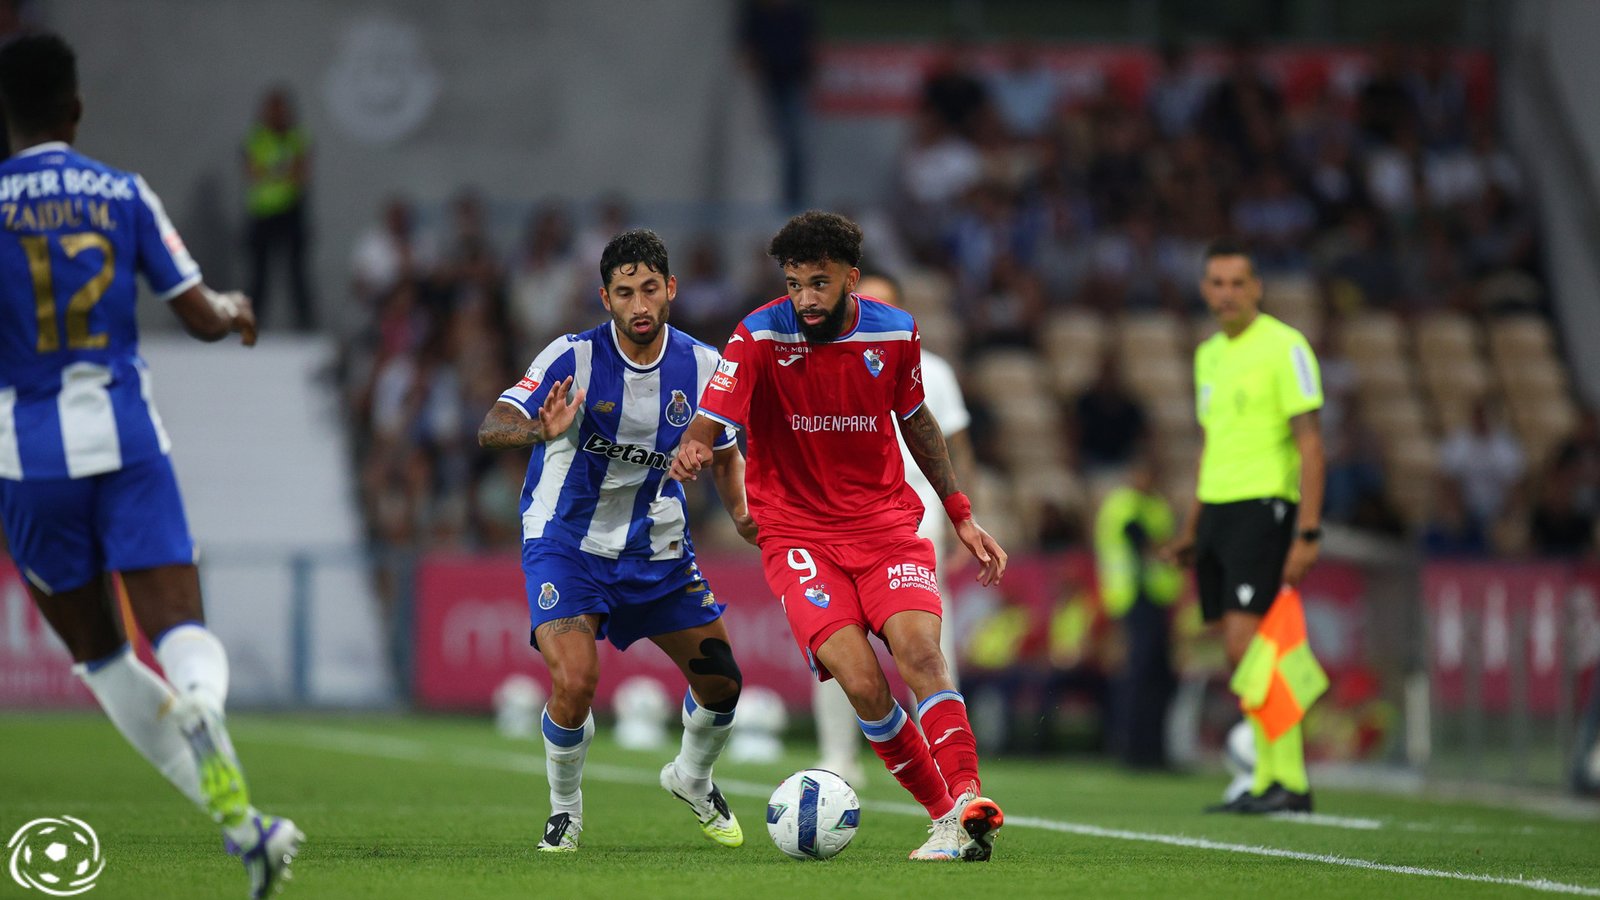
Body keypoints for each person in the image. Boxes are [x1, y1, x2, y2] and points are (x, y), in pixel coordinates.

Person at [0, 34, 301, 897]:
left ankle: (247, 830)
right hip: (127, 439)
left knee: (100, 655)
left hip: (27, 454)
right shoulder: (120, 193)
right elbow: (202, 317)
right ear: (77, 107)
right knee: (177, 626)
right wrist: (239, 306)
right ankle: (202, 701)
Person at [671, 211, 1007, 862]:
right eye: (794, 284)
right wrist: (693, 452)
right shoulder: (758, 336)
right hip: (798, 535)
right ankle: (943, 818)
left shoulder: (896, 334)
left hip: (885, 525)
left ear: (851, 278)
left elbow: (919, 425)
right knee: (859, 682)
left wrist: (960, 511)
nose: (805, 299)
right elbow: (711, 421)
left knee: (921, 654)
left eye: (819, 283)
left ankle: (968, 800)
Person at [476, 229, 752, 853]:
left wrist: (737, 511)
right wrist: (539, 433)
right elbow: (494, 425)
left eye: (650, 289)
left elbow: (726, 447)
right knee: (574, 680)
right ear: (605, 298)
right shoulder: (570, 358)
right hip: (566, 542)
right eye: (625, 293)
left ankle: (691, 777)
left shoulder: (706, 366)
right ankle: (565, 810)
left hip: (657, 549)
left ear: (671, 289)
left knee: (723, 685)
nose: (639, 305)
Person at [1163, 238, 1325, 813]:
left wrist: (1307, 531)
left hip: (1266, 507)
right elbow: (1213, 444)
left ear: (1257, 287)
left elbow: (1310, 444)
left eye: (1238, 283)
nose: (1226, 294)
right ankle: (1273, 780)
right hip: (1221, 511)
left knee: (1248, 644)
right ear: (1205, 290)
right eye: (1216, 283)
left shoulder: (1286, 347)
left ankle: (1287, 780)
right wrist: (1192, 526)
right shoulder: (1208, 354)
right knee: (1245, 655)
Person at [810, 271, 975, 787]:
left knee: (927, 647)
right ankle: (838, 756)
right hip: (839, 524)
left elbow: (955, 451)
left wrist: (961, 517)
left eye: (883, 303)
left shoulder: (934, 371)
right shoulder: (822, 362)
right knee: (837, 643)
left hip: (917, 523)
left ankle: (944, 757)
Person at [1094, 455, 1183, 769]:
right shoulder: (1124, 505)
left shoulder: (1154, 506)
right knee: (1138, 676)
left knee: (1158, 676)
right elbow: (1143, 542)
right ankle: (1131, 750)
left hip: (1156, 599)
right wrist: (1173, 549)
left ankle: (1155, 750)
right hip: (1132, 600)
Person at [241, 87, 314, 331]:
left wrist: (272, 172)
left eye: (280, 109)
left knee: (297, 274)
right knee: (258, 276)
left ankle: (305, 326)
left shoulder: (297, 137)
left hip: (292, 211)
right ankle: (251, 323)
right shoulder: (256, 137)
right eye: (272, 109)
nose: (276, 114)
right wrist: (282, 172)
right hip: (262, 213)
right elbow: (252, 172)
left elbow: (302, 173)